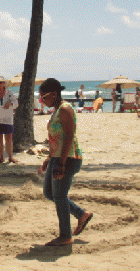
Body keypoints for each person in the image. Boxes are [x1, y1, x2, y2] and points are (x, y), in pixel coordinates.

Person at [37, 78, 93, 246]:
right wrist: (49, 158)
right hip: (56, 158)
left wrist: (60, 163)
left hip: (68, 158)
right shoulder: (56, 110)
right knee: (49, 193)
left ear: (54, 94)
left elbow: (69, 136)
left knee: (59, 195)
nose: (42, 101)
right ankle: (81, 214)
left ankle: (65, 236)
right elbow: (56, 138)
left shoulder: (65, 109)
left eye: (43, 98)